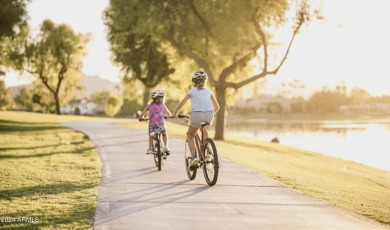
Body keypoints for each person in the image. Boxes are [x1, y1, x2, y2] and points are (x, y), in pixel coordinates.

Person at [172, 70, 220, 169]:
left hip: (197, 115)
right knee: (204, 128)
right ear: (205, 81)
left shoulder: (192, 91)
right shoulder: (208, 91)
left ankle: (194, 158)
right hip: (209, 114)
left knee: (190, 135)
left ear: (194, 81)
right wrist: (212, 114)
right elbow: (217, 107)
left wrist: (174, 113)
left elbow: (181, 104)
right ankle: (209, 151)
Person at [139, 89, 172, 155]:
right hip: (161, 125)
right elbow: (169, 114)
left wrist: (142, 118)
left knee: (151, 135)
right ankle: (166, 146)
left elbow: (141, 115)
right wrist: (168, 116)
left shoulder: (149, 106)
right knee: (164, 134)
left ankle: (150, 148)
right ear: (160, 98)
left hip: (152, 126)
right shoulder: (162, 105)